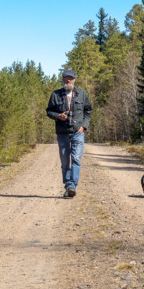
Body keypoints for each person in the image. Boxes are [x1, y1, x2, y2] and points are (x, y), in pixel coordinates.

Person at [46, 69, 92, 198]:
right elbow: (49, 111)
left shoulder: (82, 94)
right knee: (65, 161)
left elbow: (88, 110)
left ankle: (72, 185)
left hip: (78, 132)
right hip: (62, 133)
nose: (68, 80)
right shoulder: (55, 94)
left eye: (70, 78)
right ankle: (68, 185)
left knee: (76, 159)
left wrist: (84, 126)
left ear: (74, 80)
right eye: (65, 78)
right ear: (62, 79)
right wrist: (58, 116)